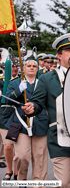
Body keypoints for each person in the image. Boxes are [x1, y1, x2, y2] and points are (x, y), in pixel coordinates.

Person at [22, 33, 70, 188]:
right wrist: (32, 108)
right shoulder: (47, 78)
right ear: (59, 56)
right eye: (68, 50)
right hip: (60, 139)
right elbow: (37, 103)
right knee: (64, 183)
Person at [5, 56, 49, 188]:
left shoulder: (43, 82)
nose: (31, 68)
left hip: (40, 122)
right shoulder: (15, 82)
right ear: (23, 68)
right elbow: (7, 100)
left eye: (34, 66)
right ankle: (22, 178)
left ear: (37, 69)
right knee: (22, 156)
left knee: (39, 157)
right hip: (21, 123)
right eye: (28, 66)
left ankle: (38, 184)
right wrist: (19, 90)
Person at [0, 58, 20, 180]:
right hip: (4, 113)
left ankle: (17, 171)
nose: (14, 68)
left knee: (17, 146)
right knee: (7, 146)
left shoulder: (21, 80)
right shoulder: (1, 81)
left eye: (17, 66)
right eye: (12, 66)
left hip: (17, 113)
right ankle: (9, 169)